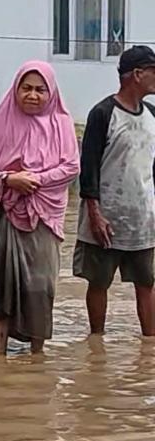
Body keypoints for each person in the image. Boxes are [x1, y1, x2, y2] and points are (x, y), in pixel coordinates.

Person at [0, 61, 79, 354]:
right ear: (16, 89)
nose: (32, 95)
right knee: (2, 284)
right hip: (9, 213)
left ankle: (37, 353)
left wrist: (36, 180)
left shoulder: (61, 123)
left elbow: (71, 167)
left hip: (45, 216)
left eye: (39, 90)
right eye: (26, 88)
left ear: (51, 93)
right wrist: (10, 179)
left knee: (41, 286)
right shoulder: (1, 121)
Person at [74, 45, 155, 336]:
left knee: (147, 283)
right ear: (137, 74)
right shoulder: (103, 113)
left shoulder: (152, 115)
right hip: (105, 220)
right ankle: (96, 341)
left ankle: (149, 345)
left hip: (142, 220)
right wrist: (95, 214)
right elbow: (88, 169)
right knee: (99, 282)